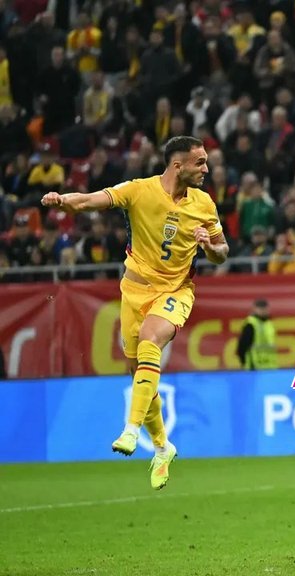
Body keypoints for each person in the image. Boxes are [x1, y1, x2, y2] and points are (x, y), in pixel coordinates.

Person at [41, 136, 228, 490]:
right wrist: (64, 201)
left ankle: (130, 429)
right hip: (133, 291)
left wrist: (209, 247)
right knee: (138, 369)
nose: (206, 169)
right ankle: (162, 447)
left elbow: (222, 251)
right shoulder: (139, 191)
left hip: (176, 290)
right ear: (178, 166)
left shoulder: (204, 204)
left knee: (150, 338)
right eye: (200, 162)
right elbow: (92, 200)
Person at [236, 299, 278, 369]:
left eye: (265, 308)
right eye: (260, 308)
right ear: (254, 309)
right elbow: (242, 345)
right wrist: (243, 362)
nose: (263, 311)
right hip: (254, 366)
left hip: (270, 366)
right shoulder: (250, 324)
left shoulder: (269, 324)